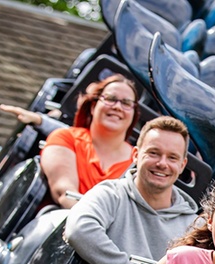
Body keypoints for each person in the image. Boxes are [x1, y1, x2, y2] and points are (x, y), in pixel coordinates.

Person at [65, 116, 199, 264]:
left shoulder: (194, 226)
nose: (162, 163)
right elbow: (78, 229)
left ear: (182, 165)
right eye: (153, 153)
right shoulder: (110, 194)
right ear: (135, 155)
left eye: (172, 157)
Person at [38, 74, 141, 208]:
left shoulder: (138, 162)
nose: (117, 107)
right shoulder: (66, 138)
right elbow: (64, 193)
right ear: (93, 107)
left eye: (126, 103)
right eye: (110, 99)